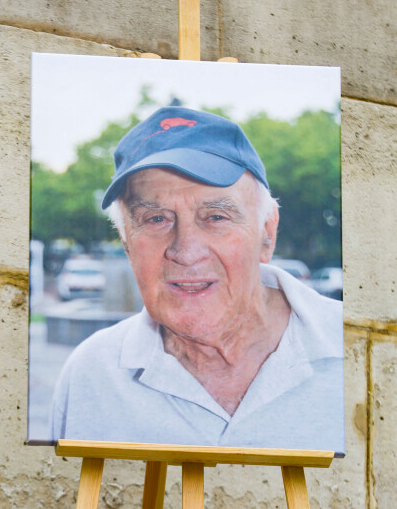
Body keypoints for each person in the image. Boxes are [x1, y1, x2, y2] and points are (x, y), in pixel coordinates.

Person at [47, 106, 344, 453]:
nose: (185, 252)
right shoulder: (91, 375)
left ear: (267, 233)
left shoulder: (356, 347)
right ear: (127, 243)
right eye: (156, 219)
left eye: (216, 216)